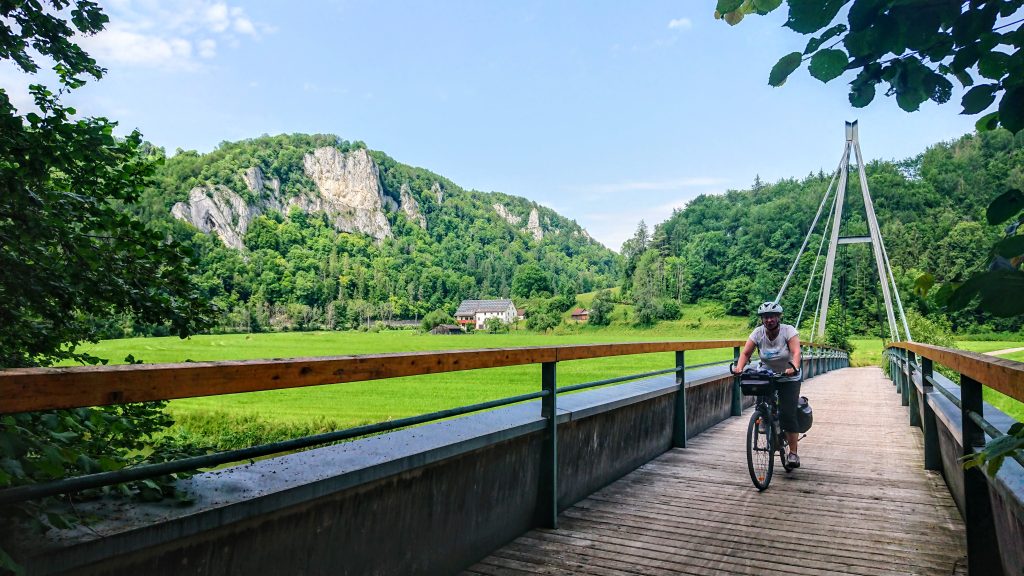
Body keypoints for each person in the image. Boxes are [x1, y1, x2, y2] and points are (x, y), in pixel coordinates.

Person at [731, 301, 803, 467]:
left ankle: (793, 453)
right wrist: (739, 368)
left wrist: (794, 367)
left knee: (788, 413)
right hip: (767, 375)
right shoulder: (758, 333)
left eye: (771, 316)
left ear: (778, 317)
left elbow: (796, 351)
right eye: (765, 317)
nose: (768, 320)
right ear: (762, 319)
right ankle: (764, 417)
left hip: (788, 376)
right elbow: (746, 352)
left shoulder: (788, 331)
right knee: (762, 403)